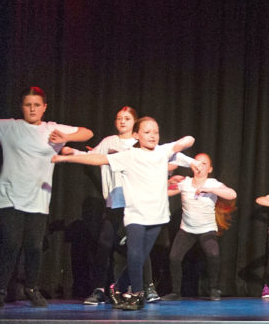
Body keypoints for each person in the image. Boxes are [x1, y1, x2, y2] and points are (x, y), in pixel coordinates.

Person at [0, 87, 93, 307]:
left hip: (38, 197)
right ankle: (0, 290)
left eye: (36, 105)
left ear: (44, 108)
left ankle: (31, 288)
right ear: (22, 107)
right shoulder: (11, 127)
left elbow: (87, 132)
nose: (32, 109)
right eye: (28, 105)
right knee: (11, 242)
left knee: (34, 246)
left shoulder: (52, 129)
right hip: (9, 195)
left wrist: (66, 137)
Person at [52, 116, 194, 310]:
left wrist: (181, 146)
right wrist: (67, 157)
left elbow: (189, 140)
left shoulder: (162, 151)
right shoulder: (129, 155)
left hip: (158, 216)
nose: (152, 136)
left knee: (142, 256)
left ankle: (117, 286)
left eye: (156, 132)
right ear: (136, 135)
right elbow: (99, 159)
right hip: (135, 215)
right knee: (134, 254)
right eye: (147, 132)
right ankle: (136, 294)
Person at [161, 153, 236, 301]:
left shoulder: (213, 183)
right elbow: (164, 192)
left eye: (204, 164)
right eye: (197, 163)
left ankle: (213, 289)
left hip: (207, 229)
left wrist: (210, 190)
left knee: (213, 255)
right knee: (174, 258)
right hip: (187, 230)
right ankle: (176, 291)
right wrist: (169, 181)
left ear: (210, 169)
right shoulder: (185, 183)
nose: (200, 167)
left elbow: (232, 194)